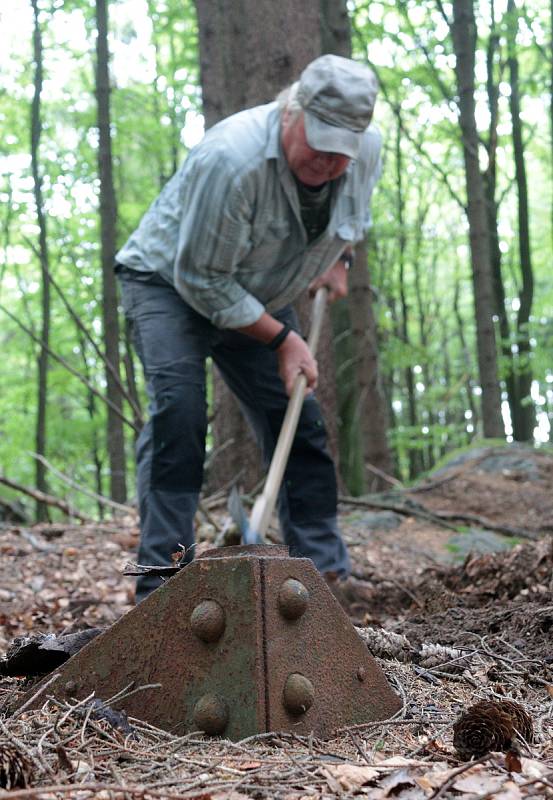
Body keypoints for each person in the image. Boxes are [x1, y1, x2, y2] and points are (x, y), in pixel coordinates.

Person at [115, 54, 381, 602]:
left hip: (258, 288)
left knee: (298, 418)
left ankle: (326, 578)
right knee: (180, 415)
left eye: (342, 152)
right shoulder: (231, 159)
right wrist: (284, 339)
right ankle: (161, 586)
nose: (329, 162)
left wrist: (338, 258)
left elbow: (350, 216)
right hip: (169, 283)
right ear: (292, 112)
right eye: (319, 143)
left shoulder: (361, 154)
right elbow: (201, 280)